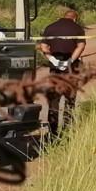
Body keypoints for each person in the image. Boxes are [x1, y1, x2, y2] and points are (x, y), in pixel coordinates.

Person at [39, 9, 86, 137]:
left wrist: (54, 60)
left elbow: (43, 47)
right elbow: (80, 46)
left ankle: (53, 131)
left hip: (55, 69)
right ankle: (67, 129)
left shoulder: (50, 27)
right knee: (70, 99)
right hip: (72, 69)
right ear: (74, 19)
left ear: (63, 16)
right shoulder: (78, 29)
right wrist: (70, 61)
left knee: (54, 99)